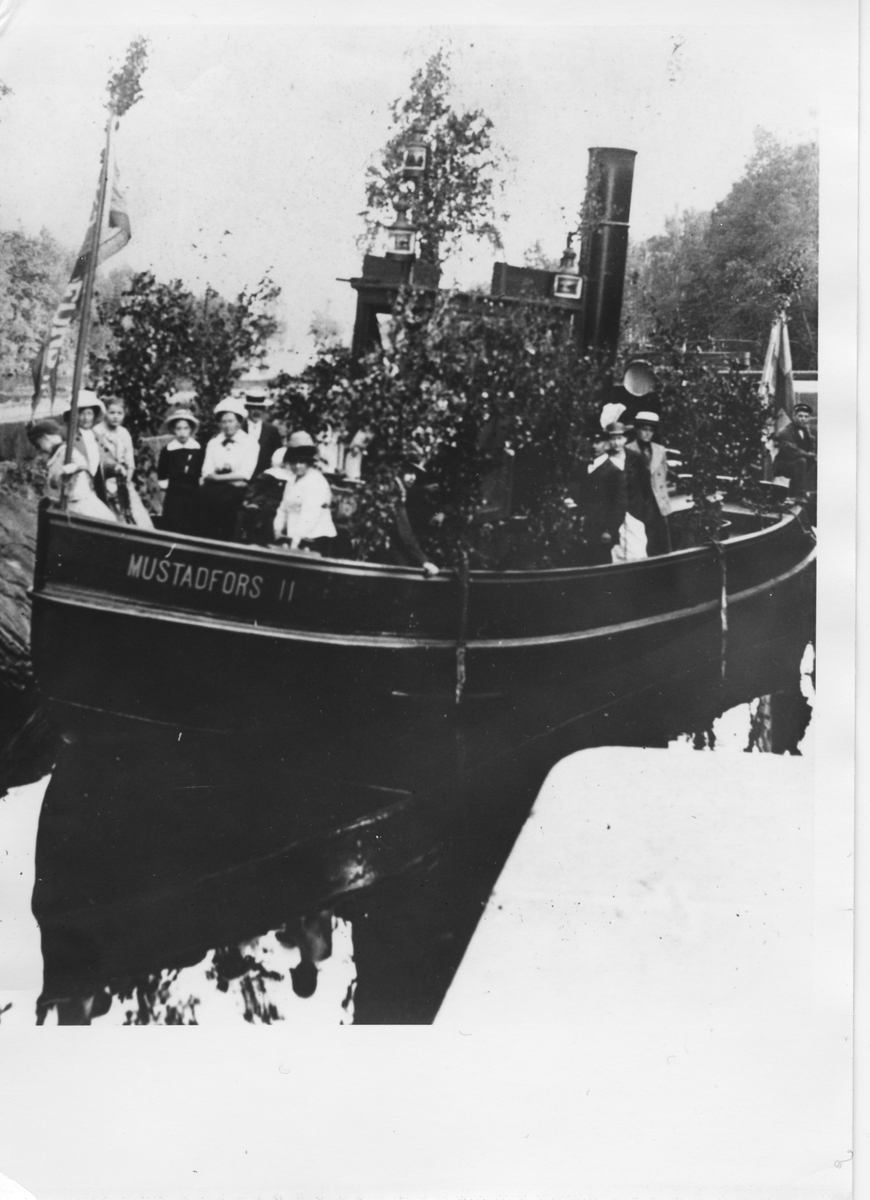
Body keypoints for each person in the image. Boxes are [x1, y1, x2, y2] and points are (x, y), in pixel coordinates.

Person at [28, 415, 117, 522]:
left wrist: (63, 470)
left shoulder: (67, 451)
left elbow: (81, 464)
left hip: (80, 499)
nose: (39, 449)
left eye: (38, 445)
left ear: (46, 438)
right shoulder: (55, 455)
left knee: (103, 521)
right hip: (67, 501)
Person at [199, 396, 259, 541]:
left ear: (239, 422)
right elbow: (206, 471)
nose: (227, 425)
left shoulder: (250, 443)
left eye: (231, 421)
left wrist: (217, 478)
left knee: (227, 503)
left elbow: (245, 474)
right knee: (201, 497)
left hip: (236, 491)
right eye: (223, 421)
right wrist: (230, 479)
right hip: (215, 487)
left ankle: (224, 543)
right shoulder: (214, 443)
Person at [588, 420, 648, 564]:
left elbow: (645, 485)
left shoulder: (636, 458)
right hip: (613, 513)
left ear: (626, 439)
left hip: (634, 512)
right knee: (617, 551)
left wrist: (640, 507)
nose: (616, 443)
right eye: (612, 439)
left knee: (637, 549)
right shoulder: (604, 461)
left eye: (619, 438)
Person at [273, 431, 337, 554]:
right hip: (296, 538)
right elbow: (283, 508)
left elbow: (309, 515)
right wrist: (277, 530)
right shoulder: (292, 480)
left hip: (316, 539)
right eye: (294, 462)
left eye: (302, 462)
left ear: (309, 461)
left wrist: (295, 543)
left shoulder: (316, 481)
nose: (298, 466)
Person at [96, 396, 154, 529]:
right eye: (112, 412)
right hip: (104, 480)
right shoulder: (98, 431)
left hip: (122, 480)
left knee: (136, 514)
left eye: (119, 413)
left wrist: (126, 481)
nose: (115, 417)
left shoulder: (124, 433)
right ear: (105, 413)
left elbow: (130, 462)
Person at [626, 410, 672, 556]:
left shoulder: (660, 450)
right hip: (639, 500)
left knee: (660, 539)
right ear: (637, 430)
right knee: (639, 539)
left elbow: (663, 473)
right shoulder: (628, 449)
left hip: (657, 501)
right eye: (644, 429)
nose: (647, 433)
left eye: (651, 430)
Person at [156, 405, 206, 535]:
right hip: (174, 490)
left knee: (192, 521)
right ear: (173, 430)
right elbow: (162, 472)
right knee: (173, 521)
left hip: (193, 489)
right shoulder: (168, 450)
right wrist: (164, 489)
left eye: (185, 428)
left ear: (191, 429)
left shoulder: (198, 449)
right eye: (178, 429)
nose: (182, 432)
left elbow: (202, 469)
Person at [387, 464, 440, 575]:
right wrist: (424, 561)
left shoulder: (400, 491)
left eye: (414, 474)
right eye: (409, 473)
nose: (413, 478)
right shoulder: (394, 494)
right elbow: (404, 532)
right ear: (400, 471)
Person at [775, 402, 816, 497]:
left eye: (806, 416)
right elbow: (792, 452)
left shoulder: (808, 433)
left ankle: (810, 494)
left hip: (801, 463)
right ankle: (796, 495)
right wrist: (809, 455)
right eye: (800, 416)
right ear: (794, 416)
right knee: (801, 461)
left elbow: (812, 449)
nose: (803, 419)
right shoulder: (785, 432)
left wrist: (812, 455)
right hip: (784, 465)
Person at [244, 387, 284, 476]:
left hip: (264, 477)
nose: (256, 411)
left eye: (259, 408)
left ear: (264, 409)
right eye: (253, 408)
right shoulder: (239, 428)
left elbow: (278, 456)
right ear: (247, 408)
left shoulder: (272, 430)